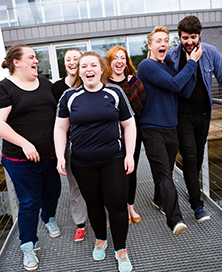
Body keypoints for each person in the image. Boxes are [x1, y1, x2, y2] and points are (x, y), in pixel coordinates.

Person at [54, 51, 136, 272]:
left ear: (101, 69)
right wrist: (61, 155)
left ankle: (121, 249)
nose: (88, 69)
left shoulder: (115, 92)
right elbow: (61, 127)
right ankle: (101, 239)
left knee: (117, 205)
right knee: (94, 205)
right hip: (82, 162)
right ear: (79, 71)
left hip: (113, 158)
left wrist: (129, 155)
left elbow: (129, 124)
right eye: (83, 66)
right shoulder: (69, 97)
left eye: (93, 65)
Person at [0, 44, 62, 271]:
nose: (36, 61)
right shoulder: (4, 89)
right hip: (20, 160)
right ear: (16, 62)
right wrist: (24, 143)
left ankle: (48, 218)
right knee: (29, 201)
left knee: (53, 192)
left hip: (49, 156)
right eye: (31, 57)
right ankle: (28, 246)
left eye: (36, 58)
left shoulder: (47, 85)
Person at [165, 15, 222, 223]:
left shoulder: (211, 52)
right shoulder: (172, 57)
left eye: (193, 37)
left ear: (200, 35)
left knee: (197, 158)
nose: (189, 42)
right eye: (185, 38)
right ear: (179, 37)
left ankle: (191, 188)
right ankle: (197, 207)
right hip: (182, 116)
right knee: (189, 158)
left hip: (204, 114)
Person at [137, 26, 203, 236]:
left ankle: (158, 199)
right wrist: (191, 63)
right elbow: (176, 84)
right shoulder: (147, 65)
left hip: (171, 128)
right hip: (152, 128)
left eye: (166, 40)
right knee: (165, 173)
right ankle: (175, 220)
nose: (163, 44)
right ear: (150, 45)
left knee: (164, 169)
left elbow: (184, 90)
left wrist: (191, 65)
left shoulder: (169, 67)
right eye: (158, 41)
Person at [105, 45, 146, 225]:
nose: (119, 61)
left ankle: (130, 206)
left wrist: (128, 85)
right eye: (115, 58)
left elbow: (138, 108)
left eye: (123, 58)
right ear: (110, 62)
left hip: (131, 134)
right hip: (110, 137)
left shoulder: (135, 82)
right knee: (114, 173)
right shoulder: (103, 84)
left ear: (127, 62)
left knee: (131, 170)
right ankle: (119, 207)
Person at [53, 48, 89, 242]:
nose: (72, 62)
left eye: (76, 58)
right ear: (65, 64)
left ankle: (101, 215)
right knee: (75, 185)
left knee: (98, 183)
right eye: (68, 59)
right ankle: (80, 223)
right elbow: (58, 122)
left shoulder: (91, 82)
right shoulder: (58, 88)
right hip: (70, 145)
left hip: (92, 142)